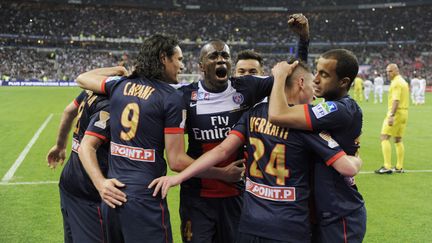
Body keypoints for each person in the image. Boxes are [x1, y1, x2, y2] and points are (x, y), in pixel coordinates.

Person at [149, 60, 362, 243]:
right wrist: (356, 158)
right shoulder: (306, 125)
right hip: (289, 226)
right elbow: (346, 167)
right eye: (311, 85)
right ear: (300, 84)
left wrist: (179, 178)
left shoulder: (253, 114)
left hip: (250, 224)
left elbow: (222, 150)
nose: (314, 94)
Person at [76, 34, 242, 243]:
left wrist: (100, 184)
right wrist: (222, 173)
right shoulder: (170, 98)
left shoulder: (118, 85)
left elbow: (82, 78)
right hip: (145, 198)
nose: (181, 66)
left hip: (111, 197)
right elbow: (177, 161)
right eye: (179, 59)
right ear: (164, 58)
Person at [176, 14, 310, 243]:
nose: (220, 60)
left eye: (225, 55)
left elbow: (289, 72)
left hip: (237, 196)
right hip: (197, 198)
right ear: (200, 66)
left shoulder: (246, 87)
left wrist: (303, 39)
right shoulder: (184, 96)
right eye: (213, 56)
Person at [268, 49, 366, 243]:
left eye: (324, 75)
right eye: (317, 71)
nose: (316, 79)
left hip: (339, 215)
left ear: (343, 82)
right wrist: (303, 42)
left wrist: (279, 78)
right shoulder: (330, 108)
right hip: (320, 212)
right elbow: (301, 78)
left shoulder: (339, 109)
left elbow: (277, 115)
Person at [46, 90, 111, 243]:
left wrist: (60, 145)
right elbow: (86, 148)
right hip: (88, 192)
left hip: (69, 181)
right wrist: (100, 184)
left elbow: (69, 111)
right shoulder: (114, 99)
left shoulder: (92, 90)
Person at [375, 63, 409, 174]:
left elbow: (396, 100)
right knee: (398, 139)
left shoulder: (396, 83)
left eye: (390, 71)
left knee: (384, 137)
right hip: (404, 113)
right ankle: (399, 167)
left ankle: (387, 166)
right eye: (387, 71)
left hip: (397, 113)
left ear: (396, 70)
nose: (388, 73)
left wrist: (391, 115)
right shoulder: (403, 81)